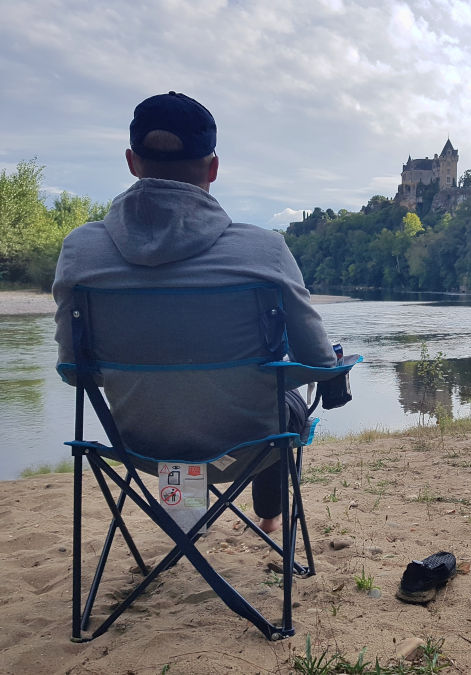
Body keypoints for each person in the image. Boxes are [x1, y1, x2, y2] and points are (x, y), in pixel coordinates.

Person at [52, 91, 337, 534]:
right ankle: (270, 515)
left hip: (140, 448)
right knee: (278, 399)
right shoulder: (263, 251)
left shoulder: (80, 252)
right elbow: (319, 364)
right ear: (214, 167)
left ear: (132, 161)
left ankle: (187, 518)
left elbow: (75, 372)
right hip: (250, 447)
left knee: (184, 403)